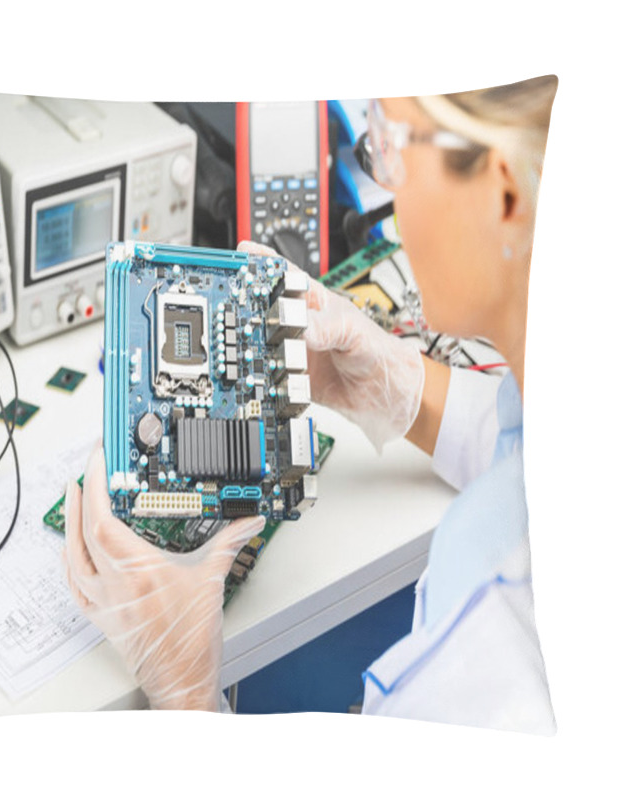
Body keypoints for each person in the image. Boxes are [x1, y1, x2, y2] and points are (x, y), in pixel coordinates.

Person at [63, 76, 558, 730]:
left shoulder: (486, 670)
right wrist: (399, 389)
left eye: (392, 149)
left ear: (504, 190)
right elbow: (532, 455)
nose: (389, 187)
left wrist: (187, 697)